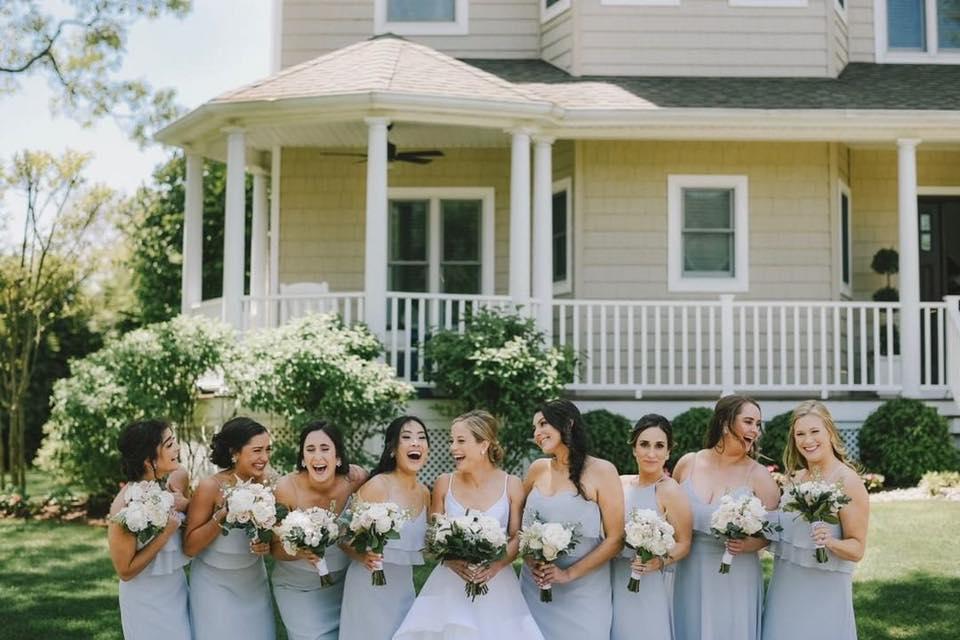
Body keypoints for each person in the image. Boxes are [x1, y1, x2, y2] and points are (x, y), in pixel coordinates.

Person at [394, 411, 544, 640]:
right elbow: (432, 536)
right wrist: (451, 561)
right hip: (449, 584)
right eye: (451, 441)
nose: (453, 447)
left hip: (497, 585)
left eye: (461, 441)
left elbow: (517, 536)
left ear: (483, 445)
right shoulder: (444, 483)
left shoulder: (511, 484)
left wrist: (495, 566)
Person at [671, 395, 780, 640]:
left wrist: (750, 544)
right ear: (724, 423)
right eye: (748, 422)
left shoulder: (759, 475)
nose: (755, 430)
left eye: (758, 424)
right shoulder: (688, 463)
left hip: (737, 575)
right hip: (689, 571)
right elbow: (668, 513)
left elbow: (774, 532)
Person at [762, 400, 869, 640]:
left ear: (829, 432)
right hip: (785, 588)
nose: (807, 440)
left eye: (814, 431)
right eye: (800, 434)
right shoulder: (795, 478)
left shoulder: (847, 480)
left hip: (825, 591)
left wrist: (830, 542)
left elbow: (857, 549)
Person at [520, 399, 623, 640]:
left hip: (584, 590)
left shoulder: (603, 471)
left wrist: (567, 574)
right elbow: (517, 524)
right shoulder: (537, 469)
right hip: (535, 586)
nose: (536, 433)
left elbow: (616, 538)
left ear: (568, 424)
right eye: (534, 428)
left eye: (543, 424)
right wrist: (532, 561)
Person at [271, 421, 368, 640]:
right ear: (303, 459)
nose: (318, 456)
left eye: (325, 449)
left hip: (345, 585)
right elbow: (274, 548)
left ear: (338, 457)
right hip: (297, 587)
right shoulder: (286, 488)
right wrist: (300, 551)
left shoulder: (356, 479)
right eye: (310, 449)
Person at [339, 416, 431, 640]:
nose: (416, 442)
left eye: (421, 438)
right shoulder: (378, 485)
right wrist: (363, 556)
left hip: (403, 589)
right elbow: (342, 534)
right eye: (407, 437)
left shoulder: (425, 493)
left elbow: (425, 546)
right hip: (368, 588)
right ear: (392, 449)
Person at [183, 417, 275, 640]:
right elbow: (190, 546)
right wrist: (223, 515)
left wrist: (266, 543)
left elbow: (274, 532)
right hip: (214, 585)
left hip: (254, 582)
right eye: (257, 450)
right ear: (235, 452)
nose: (264, 457)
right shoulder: (210, 487)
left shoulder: (268, 483)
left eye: (267, 450)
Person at [108, 419, 192, 640]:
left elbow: (190, 528)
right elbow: (125, 571)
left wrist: (186, 505)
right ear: (148, 460)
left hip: (177, 589)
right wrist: (164, 534)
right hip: (145, 600)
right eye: (169, 444)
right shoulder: (124, 506)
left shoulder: (171, 484)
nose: (177, 448)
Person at [612, 414, 692, 640]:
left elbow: (684, 543)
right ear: (634, 449)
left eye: (659, 446)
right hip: (613, 577)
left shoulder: (670, 490)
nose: (651, 453)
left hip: (648, 581)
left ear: (668, 452)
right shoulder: (619, 483)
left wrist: (659, 561)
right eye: (644, 444)